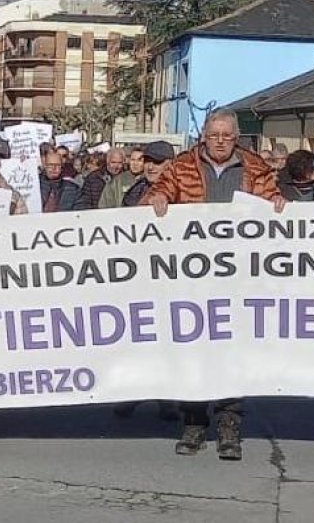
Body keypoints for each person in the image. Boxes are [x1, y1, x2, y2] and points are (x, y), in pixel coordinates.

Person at [143, 110, 284, 460]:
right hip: (192, 279)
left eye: (227, 135)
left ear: (236, 137)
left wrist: (278, 205)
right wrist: (157, 200)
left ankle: (229, 425)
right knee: (192, 349)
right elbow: (158, 193)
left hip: (238, 279)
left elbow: (272, 202)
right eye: (214, 134)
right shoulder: (181, 166)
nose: (220, 141)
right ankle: (193, 422)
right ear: (203, 135)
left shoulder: (256, 169)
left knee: (232, 353)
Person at [112, 140, 179, 421]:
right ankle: (134, 391)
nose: (151, 166)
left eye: (158, 162)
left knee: (167, 341)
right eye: (148, 161)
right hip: (138, 277)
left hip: (170, 278)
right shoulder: (136, 191)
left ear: (171, 165)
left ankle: (168, 398)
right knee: (136, 339)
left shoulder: (183, 195)